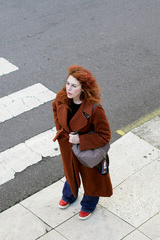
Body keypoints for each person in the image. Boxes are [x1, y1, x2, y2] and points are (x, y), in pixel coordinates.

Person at [52, 65, 113, 220]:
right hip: (68, 146)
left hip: (87, 149)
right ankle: (69, 195)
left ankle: (88, 205)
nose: (68, 89)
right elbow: (55, 109)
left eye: (74, 86)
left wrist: (80, 139)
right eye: (67, 83)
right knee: (70, 172)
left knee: (91, 177)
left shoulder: (95, 109)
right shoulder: (61, 97)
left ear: (83, 88)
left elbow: (105, 135)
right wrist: (61, 130)